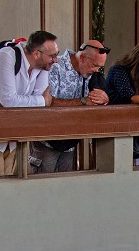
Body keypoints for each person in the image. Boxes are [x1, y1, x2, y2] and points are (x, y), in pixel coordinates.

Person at [0, 30, 59, 178]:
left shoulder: (43, 67)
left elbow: (33, 105)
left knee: (10, 191)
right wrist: (40, 101)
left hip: (13, 137)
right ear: (36, 53)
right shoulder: (7, 56)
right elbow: (11, 100)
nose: (56, 60)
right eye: (52, 56)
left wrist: (14, 101)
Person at [32, 40, 111, 174]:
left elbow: (98, 100)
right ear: (82, 58)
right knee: (42, 186)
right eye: (95, 65)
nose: (96, 70)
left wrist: (104, 98)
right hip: (48, 140)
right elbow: (47, 102)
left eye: (100, 67)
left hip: (70, 141)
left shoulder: (91, 75)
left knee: (66, 186)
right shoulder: (55, 66)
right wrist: (83, 101)